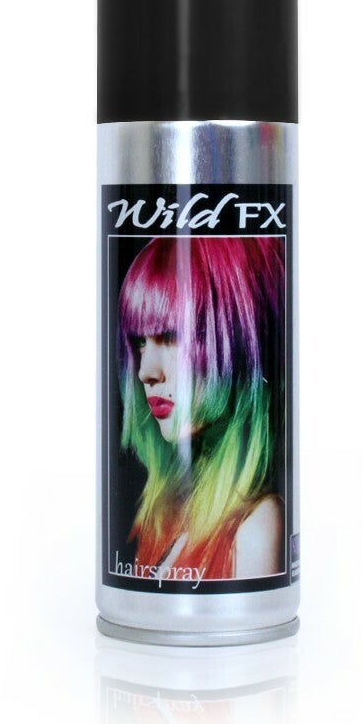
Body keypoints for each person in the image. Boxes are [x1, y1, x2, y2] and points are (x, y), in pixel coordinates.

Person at [117, 235, 285, 580]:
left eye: (172, 336)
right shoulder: (166, 514)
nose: (146, 371)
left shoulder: (256, 528)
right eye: (140, 342)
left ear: (239, 340)